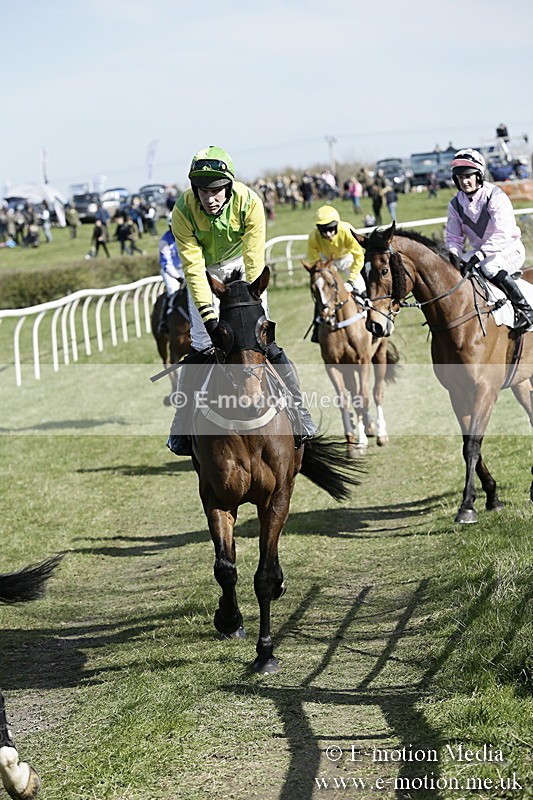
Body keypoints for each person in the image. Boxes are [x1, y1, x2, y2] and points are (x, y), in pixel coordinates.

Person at [167, 145, 317, 456]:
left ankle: (299, 411)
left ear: (229, 186)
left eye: (216, 190)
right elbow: (193, 267)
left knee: (262, 340)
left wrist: (252, 300)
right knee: (201, 345)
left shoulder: (249, 202)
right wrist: (209, 317)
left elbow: (253, 256)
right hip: (206, 272)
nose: (210, 198)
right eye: (203, 191)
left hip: (245, 268)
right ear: (194, 189)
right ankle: (181, 422)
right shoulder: (182, 211)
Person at [445, 148, 533, 331]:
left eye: (468, 176)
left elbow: (502, 233)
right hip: (481, 253)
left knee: (489, 266)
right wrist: (453, 255)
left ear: (479, 175)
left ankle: (526, 310)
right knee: (453, 271)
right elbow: (453, 237)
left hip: (510, 249)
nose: (464, 181)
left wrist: (480, 255)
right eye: (460, 177)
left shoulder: (495, 196)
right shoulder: (455, 204)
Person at [306, 205, 366, 343]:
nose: (328, 234)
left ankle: (369, 316)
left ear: (337, 225)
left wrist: (351, 280)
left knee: (360, 285)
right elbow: (314, 262)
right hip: (327, 261)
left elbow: (359, 257)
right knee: (322, 291)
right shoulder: (313, 237)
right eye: (324, 231)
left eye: (331, 229)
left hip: (347, 258)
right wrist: (324, 272)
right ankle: (317, 327)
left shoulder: (347, 231)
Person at [157, 213, 185, 333]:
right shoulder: (164, 241)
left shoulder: (187, 235)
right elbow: (167, 264)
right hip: (170, 272)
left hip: (185, 269)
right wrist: (179, 278)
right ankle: (164, 320)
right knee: (172, 290)